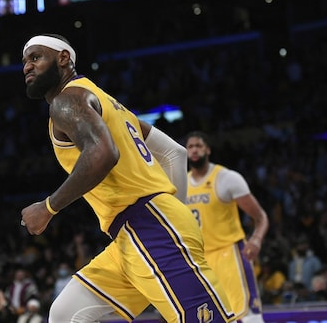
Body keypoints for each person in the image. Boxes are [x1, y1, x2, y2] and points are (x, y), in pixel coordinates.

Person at [19, 33, 235, 322]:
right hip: (133, 234)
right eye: (24, 62)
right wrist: (176, 214)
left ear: (63, 58)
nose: (27, 67)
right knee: (65, 314)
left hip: (148, 224)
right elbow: (175, 153)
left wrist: (48, 207)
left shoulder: (67, 100)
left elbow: (103, 154)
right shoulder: (108, 102)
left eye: (35, 58)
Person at [185, 131, 269, 323]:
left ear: (208, 149)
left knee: (249, 317)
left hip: (230, 255)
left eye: (199, 145)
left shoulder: (227, 178)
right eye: (190, 147)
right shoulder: (181, 184)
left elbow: (260, 216)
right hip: (200, 260)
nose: (194, 150)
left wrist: (256, 239)